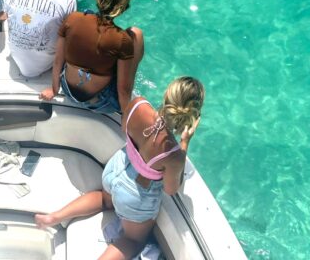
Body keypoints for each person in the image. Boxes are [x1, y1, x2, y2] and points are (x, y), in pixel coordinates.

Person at [35, 77, 205, 260]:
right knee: (133, 240)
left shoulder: (139, 104)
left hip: (116, 169)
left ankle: (54, 217)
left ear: (167, 95)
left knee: (104, 199)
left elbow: (125, 127)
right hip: (135, 196)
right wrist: (184, 143)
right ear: (191, 115)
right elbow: (171, 189)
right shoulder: (173, 154)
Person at [39, 0, 143, 115]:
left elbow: (58, 61)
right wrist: (126, 116)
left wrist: (54, 89)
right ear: (124, 6)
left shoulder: (72, 19)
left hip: (67, 91)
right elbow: (123, 90)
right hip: (100, 102)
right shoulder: (122, 39)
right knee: (136, 34)